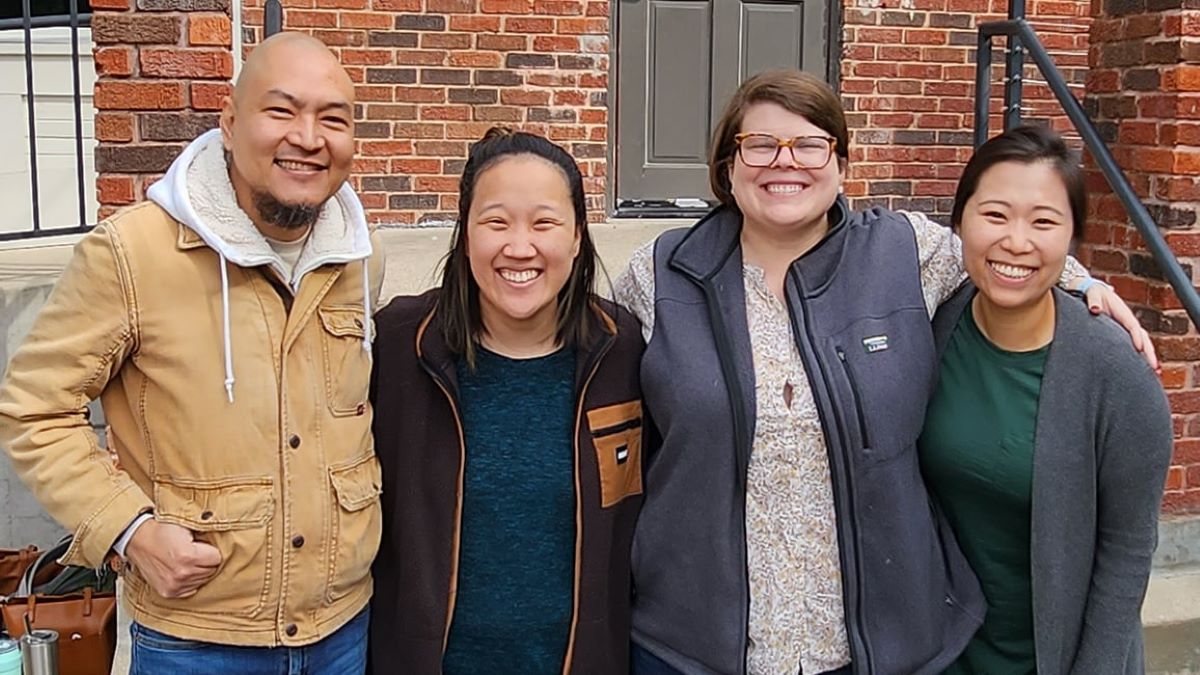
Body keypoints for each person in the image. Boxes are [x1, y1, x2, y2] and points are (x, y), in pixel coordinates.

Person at [613, 69, 1155, 675]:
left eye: (811, 144)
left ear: (841, 163)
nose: (784, 162)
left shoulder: (904, 253)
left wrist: (1089, 286)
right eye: (760, 144)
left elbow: (1003, 247)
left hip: (872, 650)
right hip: (691, 647)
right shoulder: (658, 276)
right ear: (728, 166)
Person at [0, 32, 383, 674]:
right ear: (230, 123)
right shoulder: (133, 252)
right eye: (281, 111)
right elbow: (34, 409)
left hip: (343, 630)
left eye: (333, 119)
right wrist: (129, 531)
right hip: (196, 643)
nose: (309, 137)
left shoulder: (356, 257)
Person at [368, 128, 646, 674]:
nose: (520, 247)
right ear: (466, 234)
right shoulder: (399, 345)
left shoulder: (624, 350)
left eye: (544, 223)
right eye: (496, 222)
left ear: (576, 236)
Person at [919, 125, 1172, 675]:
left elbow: (1127, 552)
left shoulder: (1117, 372)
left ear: (1073, 237)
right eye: (994, 215)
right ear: (958, 222)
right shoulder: (935, 325)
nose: (1016, 241)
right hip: (940, 653)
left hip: (1052, 658)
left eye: (1043, 222)